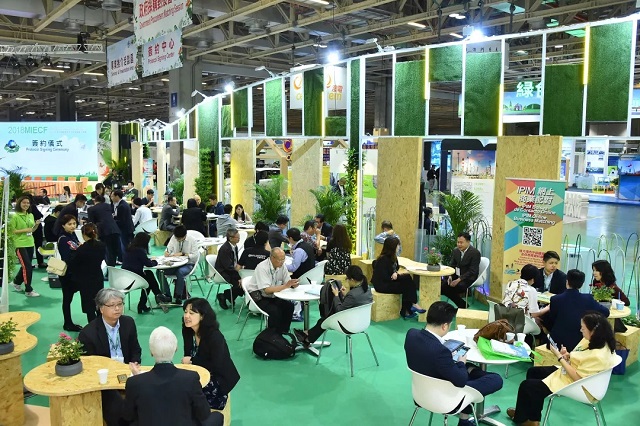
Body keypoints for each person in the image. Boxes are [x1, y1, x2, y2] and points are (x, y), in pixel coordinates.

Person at [507, 312, 618, 426]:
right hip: (573, 373)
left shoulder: (597, 355)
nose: (581, 330)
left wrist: (560, 357)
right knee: (533, 372)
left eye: (583, 328)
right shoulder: (597, 340)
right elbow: (581, 358)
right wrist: (568, 356)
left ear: (593, 331)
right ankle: (528, 415)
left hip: (580, 385)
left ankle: (524, 419)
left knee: (527, 386)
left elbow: (577, 378)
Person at [405, 301, 503, 426]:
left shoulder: (411, 334)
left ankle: (464, 418)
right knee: (495, 379)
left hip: (421, 394)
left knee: (467, 369)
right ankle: (464, 420)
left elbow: (432, 357)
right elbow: (461, 381)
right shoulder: (441, 352)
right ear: (445, 326)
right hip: (445, 398)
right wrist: (461, 363)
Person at [122, 326, 223, 426]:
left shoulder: (134, 382)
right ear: (176, 349)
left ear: (151, 352)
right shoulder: (190, 378)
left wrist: (138, 377)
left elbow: (128, 416)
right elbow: (204, 413)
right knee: (218, 416)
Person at [78, 288, 142, 426]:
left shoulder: (128, 323)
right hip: (104, 378)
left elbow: (136, 349)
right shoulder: (88, 333)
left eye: (119, 304)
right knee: (115, 405)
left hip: (127, 371)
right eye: (112, 305)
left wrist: (135, 363)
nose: (117, 308)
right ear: (101, 308)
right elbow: (89, 365)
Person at [182, 298, 240, 410]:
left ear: (202, 316)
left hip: (218, 378)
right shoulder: (187, 330)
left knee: (188, 399)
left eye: (192, 313)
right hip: (199, 372)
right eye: (185, 312)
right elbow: (187, 353)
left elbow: (216, 365)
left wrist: (192, 361)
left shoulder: (215, 337)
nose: (186, 316)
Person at [294, 265, 372, 347]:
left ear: (352, 279)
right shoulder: (367, 288)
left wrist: (336, 295)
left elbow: (339, 310)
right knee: (324, 319)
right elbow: (355, 302)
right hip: (363, 322)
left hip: (350, 324)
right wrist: (345, 296)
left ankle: (307, 336)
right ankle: (307, 336)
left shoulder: (352, 294)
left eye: (347, 279)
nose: (347, 281)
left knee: (326, 318)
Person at [542, 269, 610, 351]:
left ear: (567, 281)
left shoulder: (555, 299)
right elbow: (606, 312)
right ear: (581, 284)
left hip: (557, 343)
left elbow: (551, 321)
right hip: (580, 343)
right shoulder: (588, 299)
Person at [246, 248, 299, 333]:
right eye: (280, 260)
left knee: (289, 306)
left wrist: (293, 284)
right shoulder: (262, 267)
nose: (282, 262)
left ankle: (283, 331)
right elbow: (266, 290)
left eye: (283, 259)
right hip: (259, 296)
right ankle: (271, 334)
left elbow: (287, 281)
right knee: (274, 311)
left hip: (273, 295)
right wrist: (286, 286)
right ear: (272, 258)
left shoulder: (282, 266)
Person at [372, 238, 424, 318]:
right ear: (392, 247)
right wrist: (396, 276)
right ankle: (410, 307)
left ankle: (409, 308)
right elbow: (385, 277)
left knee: (407, 280)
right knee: (407, 284)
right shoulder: (383, 259)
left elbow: (395, 270)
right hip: (382, 285)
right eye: (397, 245)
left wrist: (396, 274)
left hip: (388, 281)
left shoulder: (393, 257)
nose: (399, 247)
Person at [122, 233, 172, 313]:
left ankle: (149, 301)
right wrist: (155, 261)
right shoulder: (140, 250)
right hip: (135, 278)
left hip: (125, 277)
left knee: (149, 275)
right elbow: (149, 264)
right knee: (149, 280)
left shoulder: (128, 249)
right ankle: (158, 295)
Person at [69, 223, 106, 322]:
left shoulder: (81, 249)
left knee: (89, 306)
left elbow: (74, 263)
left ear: (83, 235)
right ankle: (101, 324)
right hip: (97, 276)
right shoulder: (102, 246)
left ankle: (92, 326)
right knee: (99, 302)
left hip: (85, 279)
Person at [9, 195, 41, 297]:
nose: (26, 204)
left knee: (26, 265)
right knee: (27, 267)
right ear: (19, 203)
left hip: (30, 243)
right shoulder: (14, 216)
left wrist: (36, 225)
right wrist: (25, 230)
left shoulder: (30, 215)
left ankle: (16, 282)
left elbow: (31, 230)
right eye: (24, 203)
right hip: (19, 244)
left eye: (28, 203)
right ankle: (28, 290)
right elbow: (12, 231)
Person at [159, 226, 200, 304]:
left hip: (189, 264)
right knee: (160, 272)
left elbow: (195, 255)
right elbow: (168, 249)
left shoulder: (192, 240)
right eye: (176, 238)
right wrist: (167, 252)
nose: (177, 240)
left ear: (185, 236)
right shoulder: (174, 238)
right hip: (175, 263)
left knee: (180, 272)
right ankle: (167, 295)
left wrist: (183, 254)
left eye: (180, 239)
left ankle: (179, 295)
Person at [441, 232, 481, 309]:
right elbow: (452, 265)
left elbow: (473, 271)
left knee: (449, 289)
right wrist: (450, 276)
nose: (459, 244)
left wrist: (459, 280)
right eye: (458, 242)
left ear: (468, 242)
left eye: (461, 242)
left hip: (468, 278)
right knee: (443, 286)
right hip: (457, 275)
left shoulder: (475, 253)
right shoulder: (456, 251)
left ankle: (462, 306)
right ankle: (462, 305)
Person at [57, 214, 82, 331]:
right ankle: (68, 323)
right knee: (67, 300)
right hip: (68, 274)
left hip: (75, 272)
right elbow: (67, 257)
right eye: (69, 224)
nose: (72, 226)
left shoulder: (72, 235)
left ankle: (68, 323)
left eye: (74, 223)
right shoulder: (63, 239)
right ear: (63, 225)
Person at [87, 194, 121, 267]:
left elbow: (91, 223)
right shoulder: (108, 206)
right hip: (115, 229)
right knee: (114, 249)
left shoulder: (91, 209)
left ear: (95, 201)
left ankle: (109, 267)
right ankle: (113, 266)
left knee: (107, 250)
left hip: (103, 230)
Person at [214, 229, 243, 310]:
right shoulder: (225, 249)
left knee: (244, 282)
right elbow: (228, 267)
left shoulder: (234, 246)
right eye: (237, 237)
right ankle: (224, 296)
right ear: (230, 238)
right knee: (241, 284)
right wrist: (238, 276)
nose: (239, 239)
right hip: (223, 272)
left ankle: (229, 296)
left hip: (232, 270)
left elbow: (235, 261)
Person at [111, 190, 134, 261]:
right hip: (127, 228)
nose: (111, 198)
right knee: (125, 245)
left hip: (125, 229)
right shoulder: (122, 204)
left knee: (124, 245)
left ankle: (125, 259)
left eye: (112, 196)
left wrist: (112, 221)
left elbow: (122, 221)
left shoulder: (122, 206)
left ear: (117, 196)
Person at [25, 193, 46, 268]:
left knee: (28, 247)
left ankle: (28, 263)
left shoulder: (24, 209)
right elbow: (40, 215)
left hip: (28, 228)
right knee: (38, 245)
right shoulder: (33, 206)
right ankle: (40, 262)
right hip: (36, 228)